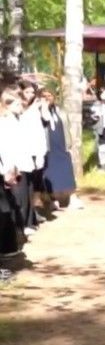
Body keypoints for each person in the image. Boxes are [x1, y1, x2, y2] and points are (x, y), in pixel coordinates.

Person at [38, 88, 84, 212]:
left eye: (50, 95)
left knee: (67, 172)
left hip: (62, 147)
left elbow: (67, 128)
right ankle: (52, 199)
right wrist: (43, 107)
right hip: (48, 148)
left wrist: (70, 145)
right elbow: (44, 120)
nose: (47, 98)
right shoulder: (38, 112)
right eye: (44, 96)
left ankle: (72, 197)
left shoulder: (61, 111)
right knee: (50, 173)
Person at [1, 87, 28, 263]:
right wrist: (8, 170)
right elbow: (5, 147)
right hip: (4, 168)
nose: (21, 105)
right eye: (18, 102)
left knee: (7, 208)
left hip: (9, 167)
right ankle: (5, 247)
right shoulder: (5, 121)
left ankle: (8, 246)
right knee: (4, 210)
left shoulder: (11, 119)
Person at [16, 80, 48, 232]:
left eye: (32, 92)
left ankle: (31, 217)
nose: (30, 95)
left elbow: (41, 129)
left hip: (35, 150)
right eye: (27, 92)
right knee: (23, 186)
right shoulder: (17, 108)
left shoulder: (36, 108)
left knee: (33, 184)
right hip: (21, 152)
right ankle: (24, 221)